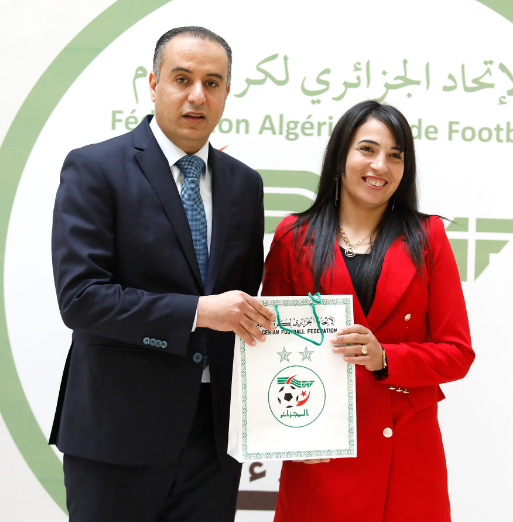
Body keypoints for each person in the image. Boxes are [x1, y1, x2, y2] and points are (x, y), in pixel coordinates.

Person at [50, 26, 273, 522]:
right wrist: (199, 312)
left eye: (212, 83)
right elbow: (82, 298)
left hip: (214, 440)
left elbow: (245, 303)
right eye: (182, 78)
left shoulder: (245, 184)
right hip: (117, 432)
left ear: (227, 92)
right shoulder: (95, 168)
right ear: (153, 84)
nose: (197, 96)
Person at [262, 100, 474, 522]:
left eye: (396, 155)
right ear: (340, 155)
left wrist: (386, 358)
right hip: (322, 450)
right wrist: (290, 436)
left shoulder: (428, 236)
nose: (381, 166)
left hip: (406, 457)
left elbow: (457, 352)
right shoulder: (294, 236)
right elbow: (270, 352)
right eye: (367, 149)